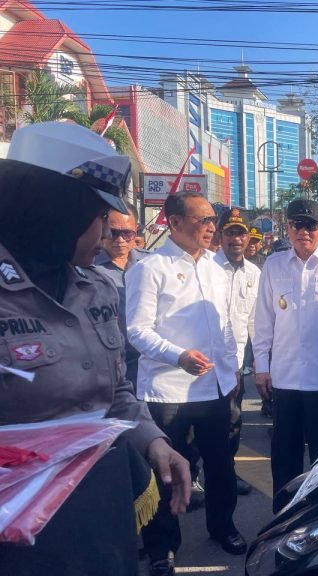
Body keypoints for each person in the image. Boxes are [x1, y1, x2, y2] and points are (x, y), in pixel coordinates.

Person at [0, 122, 189, 576]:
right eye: (99, 216)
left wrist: (154, 441)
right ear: (55, 209)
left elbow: (116, 390)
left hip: (100, 507)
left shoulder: (98, 290)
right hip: (18, 520)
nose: (107, 232)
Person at [126, 190, 246, 566]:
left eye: (214, 219)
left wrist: (232, 371)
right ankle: (163, 547)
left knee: (221, 464)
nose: (212, 227)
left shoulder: (217, 267)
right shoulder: (149, 268)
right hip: (167, 392)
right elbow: (137, 330)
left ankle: (222, 524)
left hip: (213, 387)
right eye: (203, 220)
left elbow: (227, 326)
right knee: (165, 472)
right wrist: (176, 356)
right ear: (173, 223)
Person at [252, 199, 318, 513]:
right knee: (284, 459)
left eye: (310, 225)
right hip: (284, 380)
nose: (304, 231)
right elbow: (263, 322)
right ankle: (283, 521)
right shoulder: (273, 266)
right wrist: (261, 366)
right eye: (297, 224)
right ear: (287, 229)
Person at [214, 208, 261, 497]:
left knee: (232, 423)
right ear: (220, 235)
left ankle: (227, 475)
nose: (236, 238)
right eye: (230, 232)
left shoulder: (255, 273)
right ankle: (193, 478)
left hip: (235, 364)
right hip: (202, 364)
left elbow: (255, 321)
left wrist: (260, 362)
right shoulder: (205, 267)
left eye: (240, 233)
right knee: (197, 429)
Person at [95, 202, 150, 389]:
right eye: (113, 232)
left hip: (151, 361)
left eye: (126, 233)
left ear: (136, 231)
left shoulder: (152, 263)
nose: (119, 240)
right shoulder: (87, 267)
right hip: (110, 364)